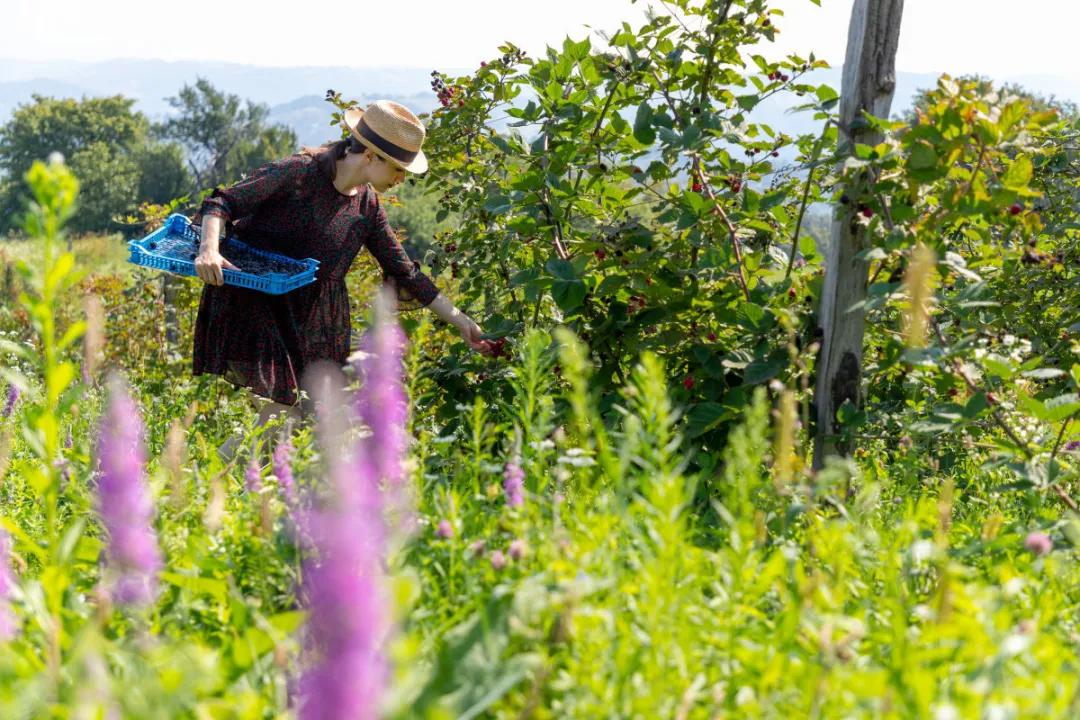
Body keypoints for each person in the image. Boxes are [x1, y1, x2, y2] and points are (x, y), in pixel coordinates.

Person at [190, 99, 494, 450]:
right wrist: (209, 249)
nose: (401, 179)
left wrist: (463, 324)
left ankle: (224, 487)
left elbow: (405, 272)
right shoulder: (299, 173)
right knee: (281, 414)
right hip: (254, 300)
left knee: (304, 416)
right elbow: (222, 203)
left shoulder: (367, 206)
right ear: (369, 156)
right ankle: (210, 485)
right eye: (398, 169)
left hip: (309, 320)